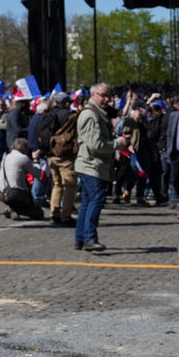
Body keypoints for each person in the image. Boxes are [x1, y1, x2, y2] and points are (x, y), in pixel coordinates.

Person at [74, 83, 128, 252]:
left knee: (88, 201)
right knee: (96, 200)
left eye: (108, 96)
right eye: (103, 95)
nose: (107, 100)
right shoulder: (91, 114)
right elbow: (96, 144)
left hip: (92, 164)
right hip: (91, 165)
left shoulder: (98, 112)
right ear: (93, 95)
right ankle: (89, 238)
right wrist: (119, 143)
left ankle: (81, 238)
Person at [42, 92, 78, 224]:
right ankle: (66, 216)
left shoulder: (48, 114)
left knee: (57, 184)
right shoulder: (69, 116)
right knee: (70, 185)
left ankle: (54, 214)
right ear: (66, 103)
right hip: (64, 154)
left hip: (50, 154)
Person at [0, 137, 45, 221]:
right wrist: (35, 160)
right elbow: (38, 174)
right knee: (39, 214)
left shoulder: (6, 157)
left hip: (0, 191)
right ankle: (16, 209)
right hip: (15, 194)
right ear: (24, 148)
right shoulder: (23, 158)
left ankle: (12, 208)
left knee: (16, 199)